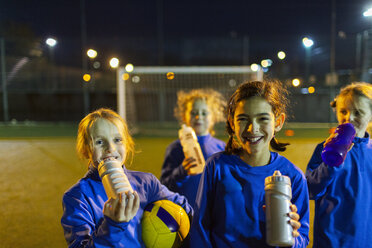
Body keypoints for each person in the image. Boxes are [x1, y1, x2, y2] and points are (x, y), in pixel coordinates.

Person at [190, 80, 310, 247]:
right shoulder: (216, 167)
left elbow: (302, 238)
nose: (252, 128)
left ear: (278, 121)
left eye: (262, 119)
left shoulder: (293, 177)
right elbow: (200, 229)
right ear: (232, 122)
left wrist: (292, 239)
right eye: (243, 119)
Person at [61, 108, 192, 247]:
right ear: (85, 149)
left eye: (117, 140)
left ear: (127, 144)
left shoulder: (146, 183)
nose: (110, 148)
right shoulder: (78, 197)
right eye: (99, 142)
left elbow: (182, 206)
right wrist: (112, 225)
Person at [306, 82, 372, 247]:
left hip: (365, 238)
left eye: (358, 112)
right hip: (331, 240)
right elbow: (311, 189)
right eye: (343, 111)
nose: (349, 118)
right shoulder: (323, 148)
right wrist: (330, 162)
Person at [160, 88, 226, 207]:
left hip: (212, 213)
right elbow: (165, 186)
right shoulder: (175, 148)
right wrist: (181, 172)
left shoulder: (222, 148)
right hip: (184, 214)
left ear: (214, 117)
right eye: (193, 112)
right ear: (184, 116)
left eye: (204, 113)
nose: (198, 117)